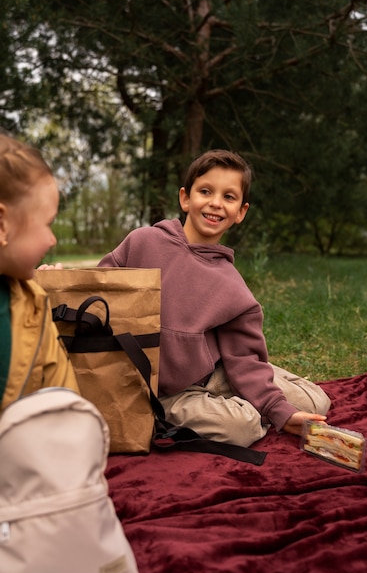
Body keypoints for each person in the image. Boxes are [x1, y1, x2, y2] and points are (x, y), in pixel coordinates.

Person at [96, 149, 330, 447]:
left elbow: (242, 355)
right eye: (205, 191)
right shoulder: (143, 242)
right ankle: (249, 399)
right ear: (185, 198)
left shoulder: (233, 286)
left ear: (241, 212)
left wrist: (278, 409)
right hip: (166, 393)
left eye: (229, 197)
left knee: (316, 402)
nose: (216, 203)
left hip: (217, 373)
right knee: (242, 428)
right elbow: (96, 288)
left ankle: (258, 388)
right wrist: (58, 277)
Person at [0, 133, 79, 411]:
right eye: (47, 224)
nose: (53, 240)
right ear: (2, 225)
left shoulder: (34, 302)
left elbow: (63, 395)